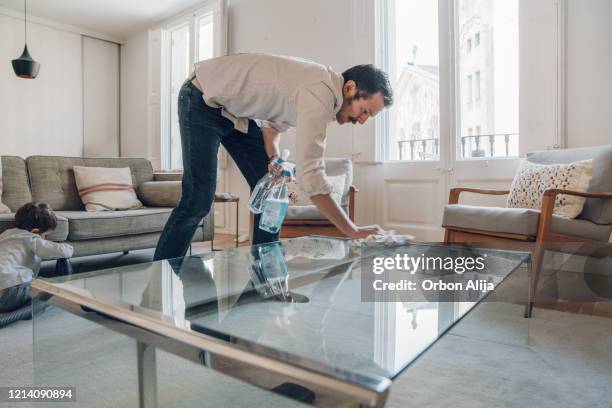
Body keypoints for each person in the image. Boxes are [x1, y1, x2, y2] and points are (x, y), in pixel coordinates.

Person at [154, 53, 394, 261]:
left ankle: (265, 282)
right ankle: (160, 283)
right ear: (350, 88)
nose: (362, 121)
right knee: (198, 198)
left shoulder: (318, 89)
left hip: (235, 114)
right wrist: (352, 230)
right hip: (201, 98)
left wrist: (274, 159)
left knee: (270, 192)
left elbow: (271, 127)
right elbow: (311, 175)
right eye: (364, 112)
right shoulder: (321, 92)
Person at [0, 202, 73, 314]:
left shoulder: (5, 235)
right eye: (46, 236)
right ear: (35, 231)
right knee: (52, 286)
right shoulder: (31, 238)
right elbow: (61, 251)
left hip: (6, 288)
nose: (45, 239)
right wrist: (69, 248)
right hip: (10, 292)